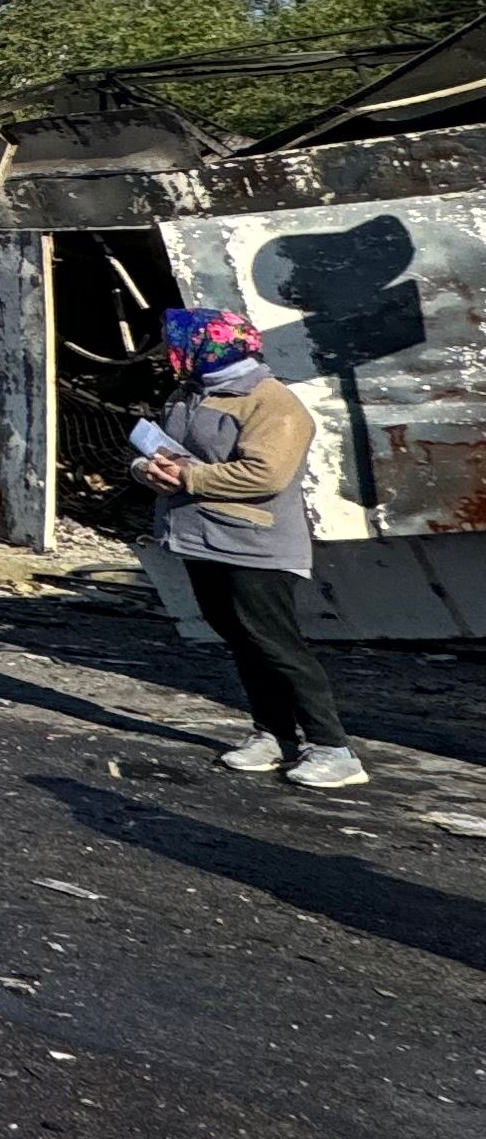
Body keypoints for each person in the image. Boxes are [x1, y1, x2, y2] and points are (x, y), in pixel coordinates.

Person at [136, 305, 363, 791]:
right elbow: (162, 451)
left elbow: (266, 474)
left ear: (208, 345)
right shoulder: (190, 393)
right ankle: (274, 734)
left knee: (276, 644)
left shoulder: (271, 402)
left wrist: (189, 478)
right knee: (241, 639)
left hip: (254, 544)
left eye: (176, 341)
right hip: (201, 537)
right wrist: (146, 470)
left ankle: (333, 748)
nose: (168, 350)